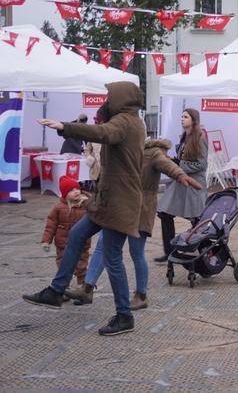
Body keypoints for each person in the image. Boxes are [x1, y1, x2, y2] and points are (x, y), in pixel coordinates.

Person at [24, 81, 145, 336]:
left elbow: (102, 133)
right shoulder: (130, 120)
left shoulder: (125, 122)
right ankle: (57, 291)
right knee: (77, 235)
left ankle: (124, 316)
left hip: (119, 202)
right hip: (108, 199)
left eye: (110, 96)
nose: (106, 101)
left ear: (121, 99)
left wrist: (65, 127)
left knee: (112, 258)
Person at [68, 138, 201, 308]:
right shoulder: (129, 151)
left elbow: (168, 165)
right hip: (121, 207)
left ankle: (141, 295)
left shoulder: (153, 153)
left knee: (136, 252)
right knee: (103, 244)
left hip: (141, 211)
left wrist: (181, 175)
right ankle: (87, 288)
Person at [155, 109, 208, 263]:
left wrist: (179, 164)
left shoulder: (200, 138)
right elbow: (181, 161)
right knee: (164, 213)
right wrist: (171, 160)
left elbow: (202, 164)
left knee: (198, 220)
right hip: (180, 182)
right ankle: (170, 252)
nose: (182, 119)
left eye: (185, 117)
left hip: (194, 185)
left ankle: (206, 252)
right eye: (181, 116)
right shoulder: (185, 137)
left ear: (194, 120)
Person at [41, 176, 91, 289]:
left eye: (77, 188)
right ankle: (63, 287)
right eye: (71, 190)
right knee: (63, 263)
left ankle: (82, 286)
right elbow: (51, 225)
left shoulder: (86, 204)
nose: (76, 192)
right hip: (63, 242)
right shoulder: (59, 207)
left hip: (82, 242)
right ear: (64, 194)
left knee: (82, 264)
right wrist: (46, 241)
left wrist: (88, 198)